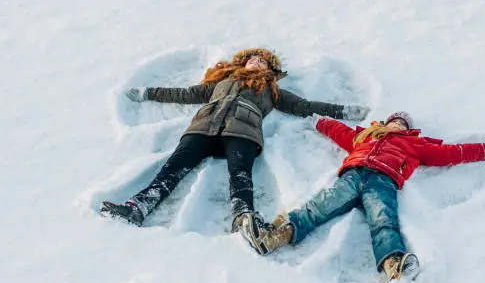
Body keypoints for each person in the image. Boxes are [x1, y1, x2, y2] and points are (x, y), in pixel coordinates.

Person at [100, 48, 370, 252]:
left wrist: (342, 111)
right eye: (253, 59)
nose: (257, 62)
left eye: (262, 61)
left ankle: (243, 216)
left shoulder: (271, 89)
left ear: (270, 69)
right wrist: (148, 92)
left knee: (240, 174)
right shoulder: (221, 82)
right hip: (203, 127)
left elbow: (305, 106)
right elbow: (183, 94)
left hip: (243, 131)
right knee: (173, 167)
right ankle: (138, 207)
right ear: (243, 61)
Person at [252, 111, 485, 282]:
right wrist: (321, 122)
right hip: (353, 175)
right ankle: (278, 235)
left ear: (408, 129)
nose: (398, 125)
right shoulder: (368, 136)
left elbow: (448, 153)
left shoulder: (416, 144)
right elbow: (341, 132)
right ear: (386, 122)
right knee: (321, 205)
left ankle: (392, 262)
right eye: (395, 121)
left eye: (403, 124)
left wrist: (481, 149)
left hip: (384, 181)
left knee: (383, 219)